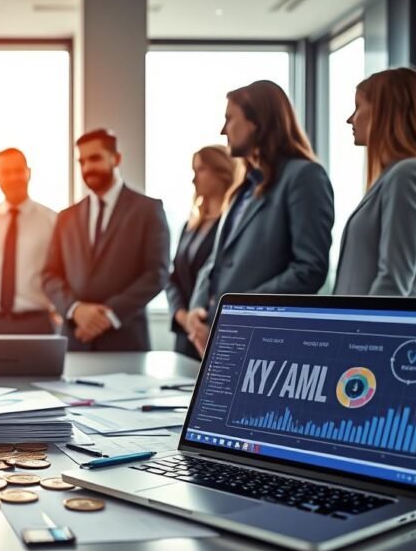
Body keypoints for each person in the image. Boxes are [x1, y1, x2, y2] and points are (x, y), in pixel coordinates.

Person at [187, 80, 334, 357]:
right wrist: (197, 310)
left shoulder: (304, 177)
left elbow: (309, 269)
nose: (223, 130)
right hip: (227, 337)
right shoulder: (241, 189)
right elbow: (214, 262)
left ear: (257, 122)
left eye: (230, 119)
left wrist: (239, 310)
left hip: (271, 344)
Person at [334, 67, 416, 296]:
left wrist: (358, 330)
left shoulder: (409, 174)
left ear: (384, 112)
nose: (350, 119)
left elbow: (392, 284)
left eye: (358, 107)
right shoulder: (398, 175)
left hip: (373, 329)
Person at [42, 128, 169, 351]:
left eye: (95, 158)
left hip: (125, 341)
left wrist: (108, 315)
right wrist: (75, 309)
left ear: (116, 158)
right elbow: (50, 274)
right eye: (81, 161)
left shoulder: (148, 210)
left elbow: (156, 274)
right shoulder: (66, 217)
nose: (87, 167)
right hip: (75, 341)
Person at [0, 148, 59, 334]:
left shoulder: (53, 221)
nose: (13, 177)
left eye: (18, 170)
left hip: (36, 323)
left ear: (29, 173)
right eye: (6, 172)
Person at [166, 145, 241, 359]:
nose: (193, 179)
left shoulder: (234, 227)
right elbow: (173, 279)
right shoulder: (190, 226)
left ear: (222, 172)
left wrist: (197, 318)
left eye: (200, 170)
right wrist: (183, 316)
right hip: (185, 335)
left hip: (213, 331)